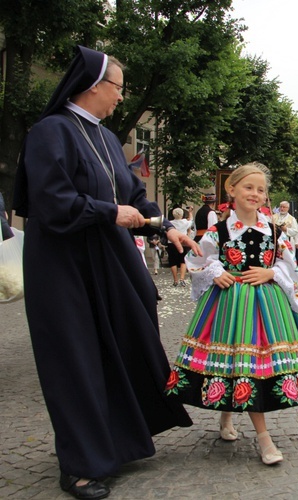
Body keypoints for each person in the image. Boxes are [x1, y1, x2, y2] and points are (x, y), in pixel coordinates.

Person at [12, 45, 195, 499]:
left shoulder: (110, 140)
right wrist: (109, 212)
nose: (120, 98)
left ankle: (118, 441)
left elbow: (136, 195)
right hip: (64, 266)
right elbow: (50, 202)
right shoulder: (50, 132)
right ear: (94, 85)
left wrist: (164, 226)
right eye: (118, 88)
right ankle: (79, 465)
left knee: (128, 339)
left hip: (110, 261)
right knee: (75, 359)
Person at [166, 162, 298, 465]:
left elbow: (290, 266)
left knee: (249, 364)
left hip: (266, 305)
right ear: (232, 190)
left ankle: (243, 426)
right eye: (249, 187)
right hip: (228, 303)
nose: (255, 194)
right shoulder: (219, 230)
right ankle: (254, 433)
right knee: (237, 362)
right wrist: (215, 271)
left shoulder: (275, 230)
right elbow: (197, 259)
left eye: (261, 190)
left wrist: (271, 273)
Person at [168, 207, 193, 286]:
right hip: (182, 243)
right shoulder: (184, 222)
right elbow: (191, 220)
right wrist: (190, 212)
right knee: (183, 261)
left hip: (171, 243)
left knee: (173, 261)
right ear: (182, 215)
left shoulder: (170, 223)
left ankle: (175, 280)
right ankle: (182, 279)